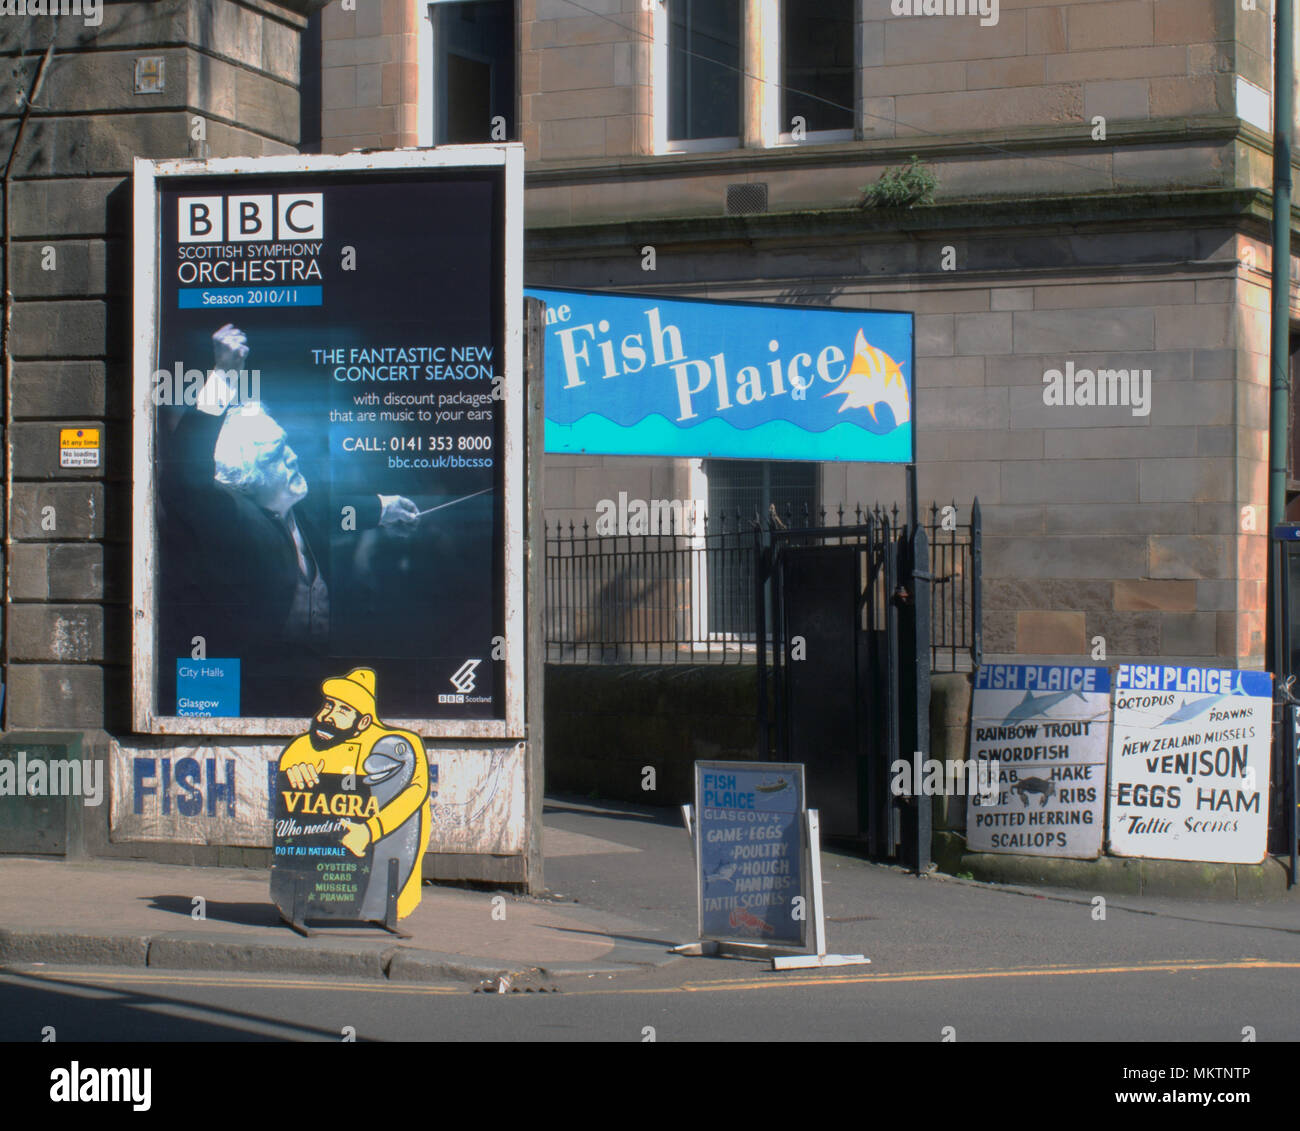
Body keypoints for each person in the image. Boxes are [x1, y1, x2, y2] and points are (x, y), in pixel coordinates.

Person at [158, 325, 418, 716]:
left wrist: (387, 507)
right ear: (252, 475)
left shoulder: (299, 508)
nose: (293, 456)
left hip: (315, 683)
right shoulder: (230, 519)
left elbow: (334, 511)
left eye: (287, 443)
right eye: (279, 453)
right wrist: (225, 374)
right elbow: (183, 475)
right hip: (255, 691)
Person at [277, 667, 431, 919]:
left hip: (379, 858)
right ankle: (307, 903)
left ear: (364, 722)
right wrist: (292, 773)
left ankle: (380, 905)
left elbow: (415, 791)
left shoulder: (396, 746)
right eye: (329, 705)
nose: (328, 715)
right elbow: (287, 795)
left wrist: (371, 830)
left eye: (343, 710)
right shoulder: (303, 746)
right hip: (321, 858)